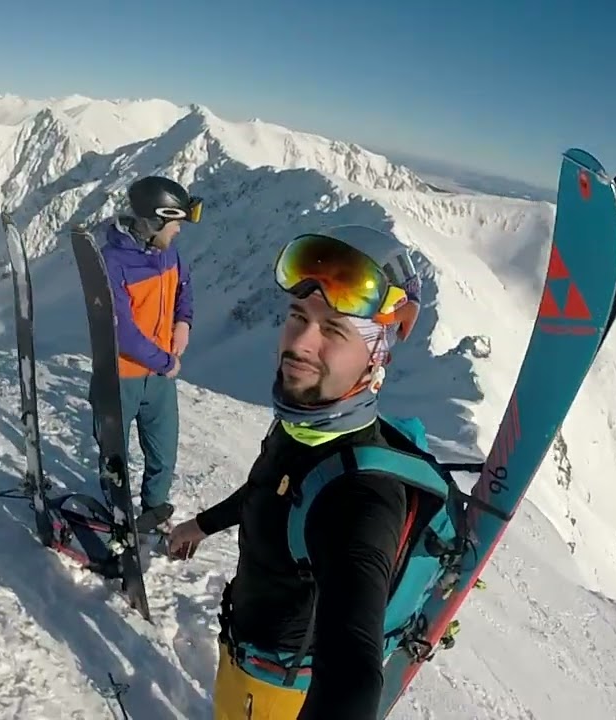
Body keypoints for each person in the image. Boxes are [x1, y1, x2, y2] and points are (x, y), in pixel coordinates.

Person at [167, 224, 440, 719]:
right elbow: (266, 488)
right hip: (245, 661)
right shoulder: (301, 428)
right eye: (297, 316)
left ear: (376, 355)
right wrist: (201, 525)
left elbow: (353, 668)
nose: (301, 343)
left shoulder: (360, 496)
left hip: (279, 696)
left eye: (334, 330)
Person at [98, 174, 202, 533]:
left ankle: (155, 511)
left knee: (163, 453)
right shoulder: (113, 262)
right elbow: (122, 332)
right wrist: (167, 361)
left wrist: (183, 322)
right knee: (115, 455)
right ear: (155, 220)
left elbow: (183, 286)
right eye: (175, 223)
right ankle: (118, 515)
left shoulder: (167, 251)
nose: (179, 232)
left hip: (157, 379)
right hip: (121, 375)